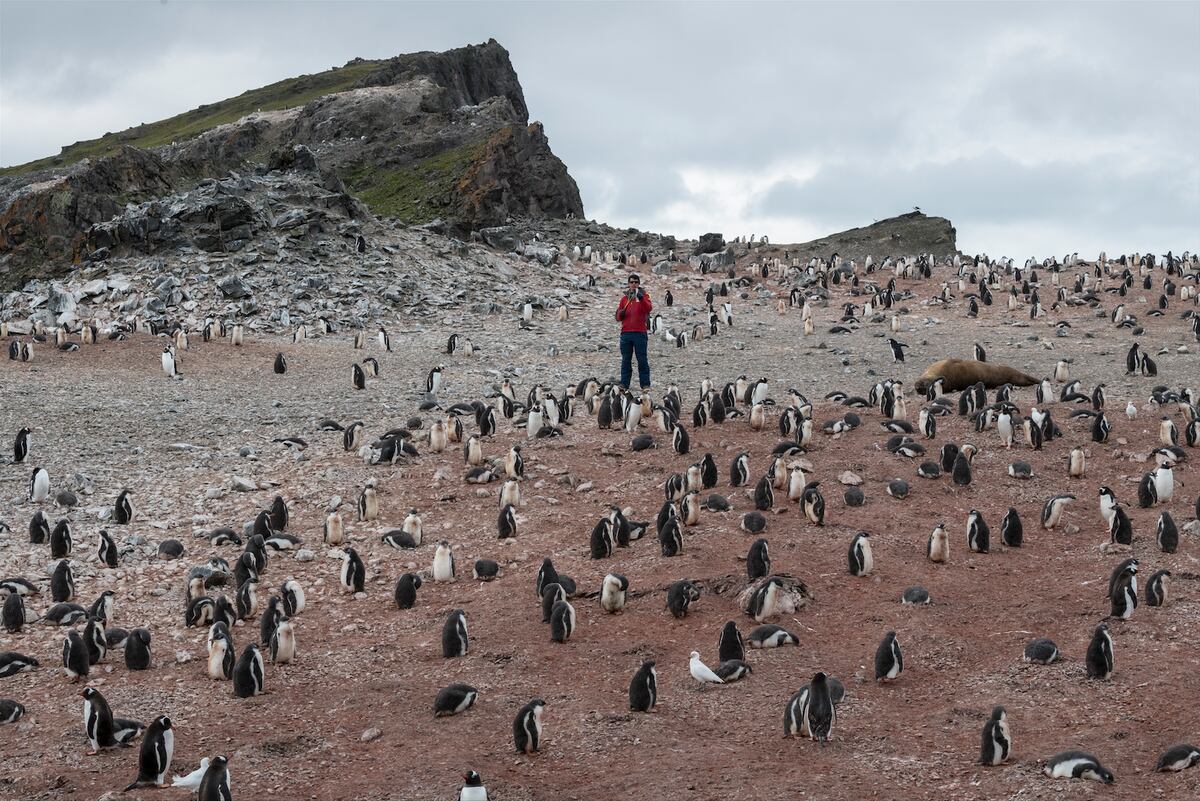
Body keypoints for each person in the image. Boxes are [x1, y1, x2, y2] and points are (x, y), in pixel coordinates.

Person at [616, 273, 653, 391]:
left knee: (642, 359)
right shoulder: (624, 299)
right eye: (631, 282)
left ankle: (645, 384)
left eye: (636, 282)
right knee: (626, 360)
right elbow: (618, 317)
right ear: (628, 284)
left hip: (640, 333)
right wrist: (620, 314)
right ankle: (624, 384)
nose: (634, 284)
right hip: (626, 333)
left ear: (639, 284)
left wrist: (640, 297)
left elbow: (648, 308)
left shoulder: (644, 296)